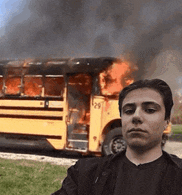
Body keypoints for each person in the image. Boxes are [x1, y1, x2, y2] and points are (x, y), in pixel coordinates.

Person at [51, 79, 182, 195]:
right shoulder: (84, 174)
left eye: (150, 110)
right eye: (128, 111)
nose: (136, 116)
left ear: (167, 120)